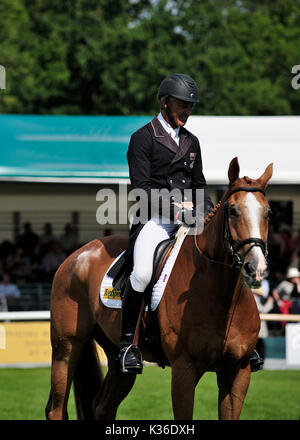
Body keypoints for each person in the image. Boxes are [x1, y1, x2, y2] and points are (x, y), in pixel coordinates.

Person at [118, 73, 215, 374]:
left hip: (190, 221)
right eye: (183, 105)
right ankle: (127, 346)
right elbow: (141, 190)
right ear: (165, 102)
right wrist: (177, 210)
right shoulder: (142, 138)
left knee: (222, 257)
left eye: (191, 106)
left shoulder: (192, 141)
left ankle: (238, 339)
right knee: (144, 272)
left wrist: (208, 213)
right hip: (155, 220)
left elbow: (199, 185)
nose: (188, 111)